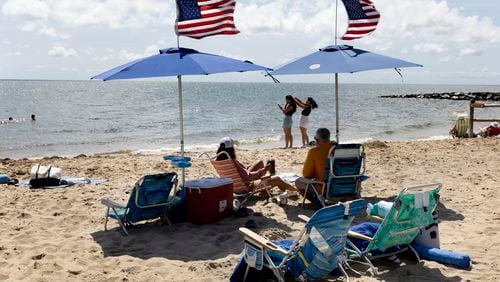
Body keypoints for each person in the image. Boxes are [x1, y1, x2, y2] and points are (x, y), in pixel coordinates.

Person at [215, 137, 297, 193]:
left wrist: (245, 168)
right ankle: (296, 191)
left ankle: (266, 183)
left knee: (259, 162)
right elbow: (248, 176)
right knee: (277, 179)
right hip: (245, 187)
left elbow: (240, 173)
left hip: (233, 186)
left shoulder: (219, 161)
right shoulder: (232, 162)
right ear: (231, 149)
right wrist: (264, 170)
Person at [295, 128, 336, 199]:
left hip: (323, 188)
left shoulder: (314, 152)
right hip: (342, 186)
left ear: (317, 140)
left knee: (298, 182)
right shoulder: (338, 149)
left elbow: (306, 174)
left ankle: (318, 201)